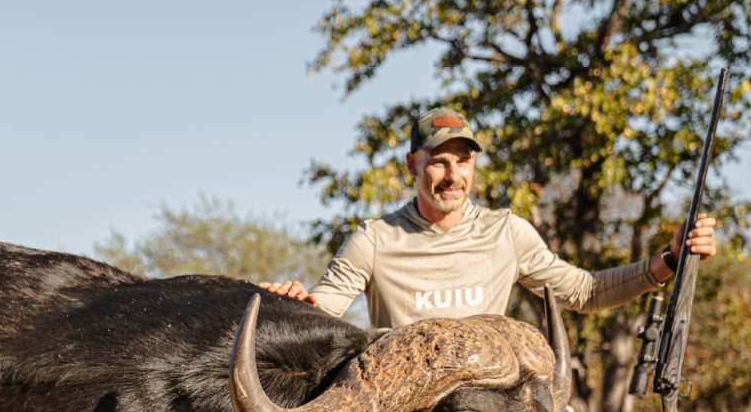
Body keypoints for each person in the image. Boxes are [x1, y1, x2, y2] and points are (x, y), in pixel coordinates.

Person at [261, 106, 717, 330]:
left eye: (463, 161)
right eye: (439, 161)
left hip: (490, 408)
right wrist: (291, 301)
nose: (453, 176)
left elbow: (586, 291)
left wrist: (670, 259)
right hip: (405, 410)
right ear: (412, 165)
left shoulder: (506, 232)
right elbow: (323, 310)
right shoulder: (376, 238)